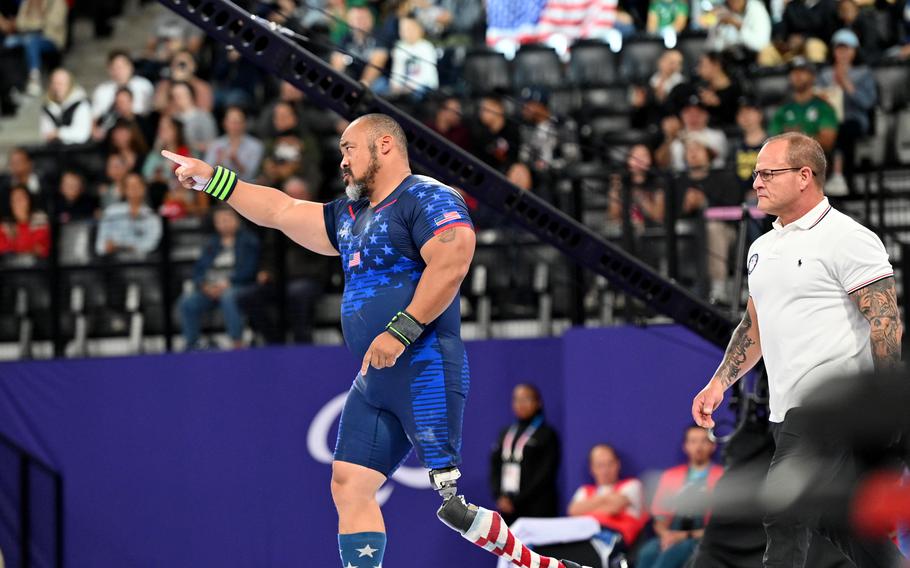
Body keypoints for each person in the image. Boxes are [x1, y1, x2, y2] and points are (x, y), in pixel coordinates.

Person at [162, 113, 587, 568]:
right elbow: (280, 211)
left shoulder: (426, 196)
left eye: (349, 148)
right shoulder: (350, 215)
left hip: (424, 366)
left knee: (453, 506)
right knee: (348, 483)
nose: (342, 160)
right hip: (375, 380)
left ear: (384, 145)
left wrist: (400, 331)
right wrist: (213, 180)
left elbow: (453, 260)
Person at [691, 132, 903, 568]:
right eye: (756, 175)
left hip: (833, 406)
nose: (757, 183)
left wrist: (886, 413)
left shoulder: (849, 237)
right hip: (785, 412)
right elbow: (754, 326)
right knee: (842, 523)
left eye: (769, 173)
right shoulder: (761, 247)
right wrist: (718, 383)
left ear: (805, 176)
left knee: (782, 506)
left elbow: (885, 324)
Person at [636, 426, 724, 568]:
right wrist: (666, 535)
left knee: (673, 555)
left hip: (703, 537)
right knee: (648, 552)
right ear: (685, 446)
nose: (699, 447)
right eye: (693, 441)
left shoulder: (722, 476)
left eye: (704, 441)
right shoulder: (670, 476)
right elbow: (660, 519)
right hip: (672, 533)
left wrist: (683, 536)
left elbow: (720, 525)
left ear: (713, 445)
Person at [179, 205, 259, 350]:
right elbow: (199, 269)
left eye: (227, 219)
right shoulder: (212, 243)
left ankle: (237, 342)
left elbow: (249, 269)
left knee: (228, 297)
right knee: (187, 302)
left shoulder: (248, 241)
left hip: (238, 286)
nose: (224, 223)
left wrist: (228, 283)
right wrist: (203, 285)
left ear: (237, 220)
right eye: (220, 221)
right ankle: (192, 344)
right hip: (211, 288)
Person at [490, 383, 561, 525]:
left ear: (538, 402)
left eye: (526, 399)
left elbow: (545, 474)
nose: (520, 404)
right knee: (509, 546)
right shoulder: (506, 433)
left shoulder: (547, 434)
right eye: (516, 399)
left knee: (536, 548)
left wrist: (518, 500)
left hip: (537, 508)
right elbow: (495, 466)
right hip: (508, 508)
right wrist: (500, 496)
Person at [816, 28, 877, 192]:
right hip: (827, 119)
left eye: (847, 49)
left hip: (854, 119)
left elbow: (868, 103)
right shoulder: (824, 75)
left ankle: (841, 177)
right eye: (839, 48)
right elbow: (816, 100)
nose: (842, 53)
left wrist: (847, 85)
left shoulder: (864, 73)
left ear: (855, 51)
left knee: (843, 130)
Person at [567, 444, 647, 548]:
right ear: (592, 468)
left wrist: (587, 510)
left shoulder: (632, 485)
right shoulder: (583, 490)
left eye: (610, 464)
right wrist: (606, 500)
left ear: (618, 464)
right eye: (600, 465)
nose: (605, 470)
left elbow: (614, 507)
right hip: (585, 537)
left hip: (615, 541)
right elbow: (573, 511)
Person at [767, 58, 838, 154]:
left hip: (815, 163)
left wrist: (795, 136)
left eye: (802, 71)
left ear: (813, 77)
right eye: (794, 72)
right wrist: (808, 137)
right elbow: (772, 142)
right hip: (785, 163)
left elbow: (827, 143)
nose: (797, 75)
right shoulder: (783, 109)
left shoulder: (824, 107)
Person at [2, 0, 67, 96]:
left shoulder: (57, 2)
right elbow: (19, 22)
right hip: (27, 36)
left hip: (50, 39)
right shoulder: (27, 2)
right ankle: (11, 80)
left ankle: (34, 78)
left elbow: (54, 23)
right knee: (9, 41)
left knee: (32, 42)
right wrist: (35, 24)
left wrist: (31, 24)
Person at [95, 173, 162, 259]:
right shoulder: (111, 212)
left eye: (137, 185)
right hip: (113, 261)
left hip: (142, 263)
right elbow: (100, 246)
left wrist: (130, 247)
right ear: (124, 190)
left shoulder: (153, 216)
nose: (134, 189)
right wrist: (108, 247)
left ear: (144, 188)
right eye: (129, 186)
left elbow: (151, 246)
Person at [204, 106, 264, 182]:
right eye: (231, 122)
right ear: (224, 123)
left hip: (246, 187)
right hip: (218, 186)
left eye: (238, 122)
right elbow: (206, 172)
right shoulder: (216, 144)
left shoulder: (256, 145)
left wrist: (236, 161)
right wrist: (218, 162)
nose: (234, 126)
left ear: (244, 124)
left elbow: (251, 175)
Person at [91, 50, 154, 121]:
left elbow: (149, 112)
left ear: (131, 67)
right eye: (115, 67)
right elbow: (95, 117)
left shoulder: (144, 85)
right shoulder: (101, 91)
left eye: (122, 66)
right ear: (109, 70)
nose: (119, 71)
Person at [40, 68, 92, 144]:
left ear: (70, 85)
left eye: (61, 84)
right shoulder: (48, 107)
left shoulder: (81, 103)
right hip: (56, 150)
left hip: (79, 151)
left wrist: (58, 133)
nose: (57, 87)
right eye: (54, 83)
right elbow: (46, 134)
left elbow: (82, 134)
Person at [0, 185, 49, 260]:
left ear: (29, 200)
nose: (18, 203)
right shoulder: (4, 226)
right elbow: (5, 254)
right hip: (11, 269)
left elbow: (41, 250)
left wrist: (16, 244)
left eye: (21, 198)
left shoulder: (40, 220)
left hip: (37, 267)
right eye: (14, 200)